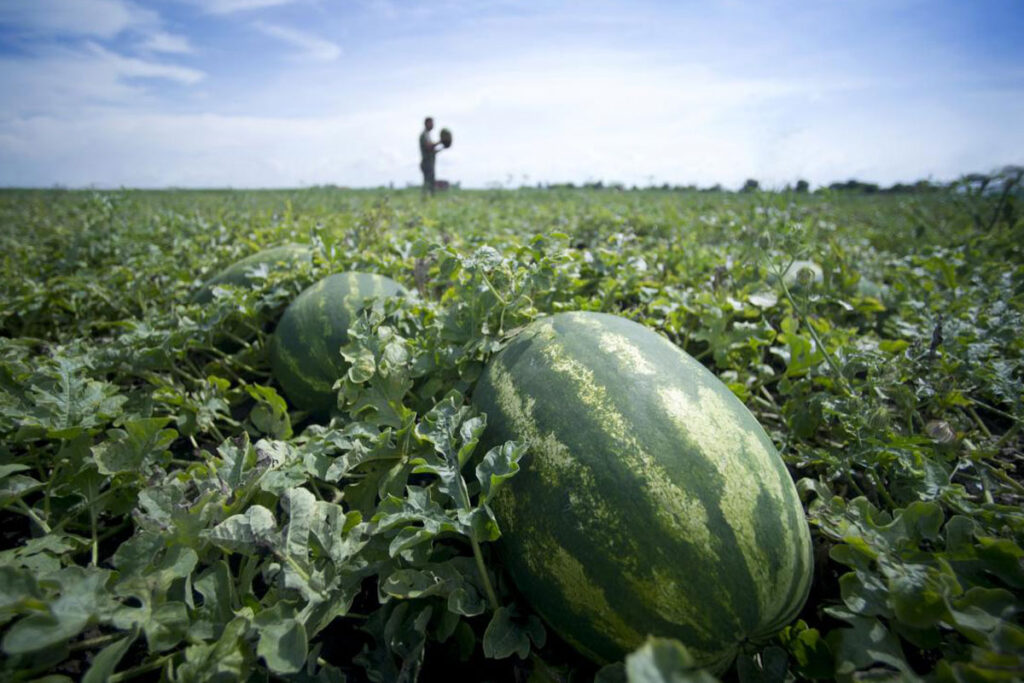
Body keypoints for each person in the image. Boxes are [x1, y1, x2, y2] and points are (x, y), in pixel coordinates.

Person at [419, 117, 445, 196]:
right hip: (426, 162)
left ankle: (430, 198)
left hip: (430, 162)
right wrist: (440, 141)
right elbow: (428, 147)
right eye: (431, 123)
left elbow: (431, 150)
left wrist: (442, 147)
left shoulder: (428, 135)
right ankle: (425, 198)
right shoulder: (424, 135)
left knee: (431, 183)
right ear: (426, 123)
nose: (433, 125)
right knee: (428, 182)